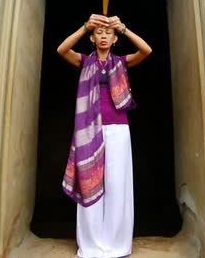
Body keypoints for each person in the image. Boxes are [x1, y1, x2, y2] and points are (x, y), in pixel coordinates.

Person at [57, 14, 152, 258]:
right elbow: (62, 49)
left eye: (108, 33)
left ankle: (116, 244)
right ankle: (91, 245)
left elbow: (146, 50)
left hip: (118, 129)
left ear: (114, 39)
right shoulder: (84, 61)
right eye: (98, 33)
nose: (103, 36)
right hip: (89, 131)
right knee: (90, 181)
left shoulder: (121, 61)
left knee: (116, 185)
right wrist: (84, 25)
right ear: (92, 37)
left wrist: (124, 28)